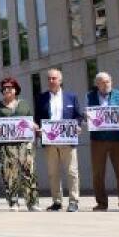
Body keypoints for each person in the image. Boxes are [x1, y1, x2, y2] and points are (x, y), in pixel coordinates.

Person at [35, 68, 83, 212]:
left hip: (67, 141)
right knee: (53, 173)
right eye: (49, 78)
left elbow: (78, 116)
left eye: (54, 78)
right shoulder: (41, 98)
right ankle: (57, 201)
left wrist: (78, 126)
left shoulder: (71, 97)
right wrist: (37, 128)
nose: (51, 81)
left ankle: (74, 201)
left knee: (72, 172)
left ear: (60, 80)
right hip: (50, 142)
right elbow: (37, 119)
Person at [0, 77, 40, 211]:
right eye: (4, 88)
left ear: (16, 90)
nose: (7, 90)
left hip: (25, 144)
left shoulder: (24, 104)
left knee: (29, 172)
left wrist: (35, 126)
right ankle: (13, 202)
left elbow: (31, 121)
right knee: (9, 174)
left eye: (10, 87)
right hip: (7, 146)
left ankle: (32, 203)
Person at [86, 72, 119, 212]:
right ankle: (101, 203)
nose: (106, 84)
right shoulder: (89, 96)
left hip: (117, 138)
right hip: (97, 140)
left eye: (108, 81)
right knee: (98, 173)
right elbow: (85, 114)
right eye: (102, 82)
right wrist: (87, 117)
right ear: (97, 84)